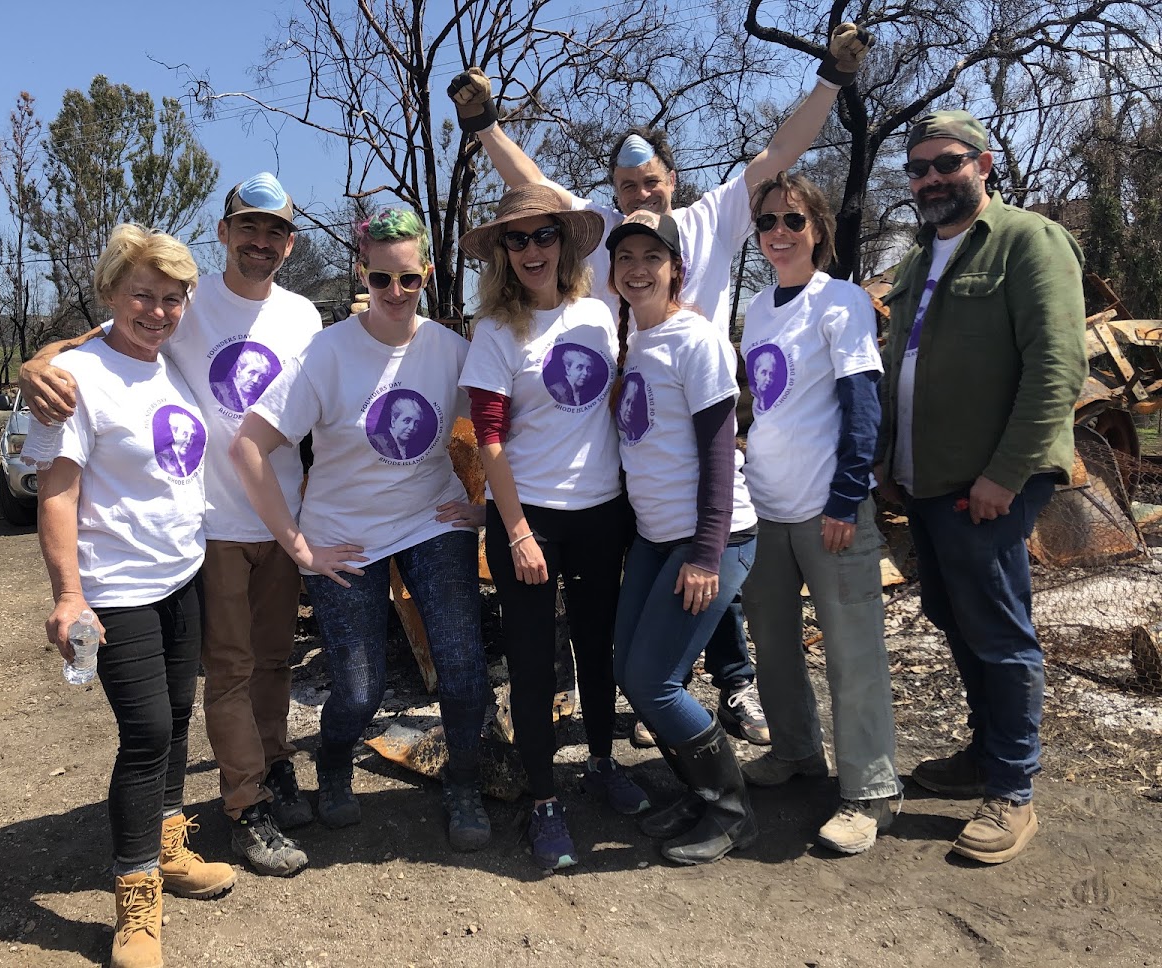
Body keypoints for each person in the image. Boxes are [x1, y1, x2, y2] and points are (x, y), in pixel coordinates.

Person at [447, 26, 876, 744]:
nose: (640, 194)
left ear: (672, 181)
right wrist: (487, 125)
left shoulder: (709, 220)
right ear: (612, 195)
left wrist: (831, 78)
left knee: (704, 552)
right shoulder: (607, 234)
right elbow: (532, 187)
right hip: (630, 421)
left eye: (651, 182)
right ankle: (661, 688)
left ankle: (732, 689)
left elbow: (780, 153)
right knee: (654, 563)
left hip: (695, 403)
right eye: (626, 186)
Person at [20, 172, 322, 878]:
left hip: (279, 519)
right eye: (247, 227)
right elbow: (110, 331)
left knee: (273, 663)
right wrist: (42, 360)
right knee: (228, 673)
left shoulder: (304, 316)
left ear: (289, 244)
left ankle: (273, 767)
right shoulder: (188, 298)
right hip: (210, 526)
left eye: (274, 231)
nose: (260, 241)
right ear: (224, 233)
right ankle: (245, 807)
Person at [230, 207, 494, 852]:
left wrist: (488, 509)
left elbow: (501, 427)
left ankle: (463, 781)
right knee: (358, 683)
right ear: (362, 274)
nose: (396, 294)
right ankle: (334, 758)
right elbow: (249, 446)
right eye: (381, 280)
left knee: (462, 667)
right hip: (342, 535)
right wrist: (297, 545)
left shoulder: (451, 351)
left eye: (410, 280)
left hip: (432, 522)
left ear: (428, 275)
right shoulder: (327, 354)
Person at [877, 110, 1087, 864]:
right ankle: (983, 753)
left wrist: (1004, 473)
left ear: (984, 164)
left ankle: (1013, 791)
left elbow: (1059, 368)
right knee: (954, 615)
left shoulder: (1029, 242)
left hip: (986, 483)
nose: (931, 177)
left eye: (947, 162)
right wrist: (888, 465)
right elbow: (900, 368)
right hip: (924, 482)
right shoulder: (913, 262)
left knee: (998, 632)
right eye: (918, 168)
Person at [25, 225, 235, 968]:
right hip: (115, 588)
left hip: (181, 573)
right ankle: (135, 896)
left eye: (171, 298)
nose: (156, 311)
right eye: (140, 295)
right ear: (111, 292)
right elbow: (57, 492)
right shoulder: (80, 378)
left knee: (179, 715)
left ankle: (169, 845)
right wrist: (68, 594)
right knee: (146, 734)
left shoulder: (169, 361)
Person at [458, 184, 650, 870]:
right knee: (535, 662)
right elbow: (489, 438)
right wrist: (515, 531)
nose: (532, 250)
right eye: (517, 239)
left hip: (602, 509)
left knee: (599, 649)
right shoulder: (494, 332)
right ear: (502, 253)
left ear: (565, 243)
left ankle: (601, 763)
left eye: (544, 236)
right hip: (528, 514)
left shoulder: (599, 314)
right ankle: (543, 798)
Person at [736, 172, 902, 855]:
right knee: (772, 647)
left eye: (794, 221)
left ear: (819, 230)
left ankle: (871, 790)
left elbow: (863, 406)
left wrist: (845, 496)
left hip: (826, 510)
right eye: (768, 220)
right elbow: (762, 405)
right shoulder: (754, 309)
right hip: (767, 509)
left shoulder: (841, 304)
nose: (779, 232)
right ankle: (798, 751)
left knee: (852, 653)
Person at [606, 210, 759, 865]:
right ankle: (697, 792)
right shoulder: (639, 340)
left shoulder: (696, 340)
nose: (638, 268)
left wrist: (704, 554)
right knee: (627, 671)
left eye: (652, 257)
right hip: (654, 537)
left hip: (710, 541)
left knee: (655, 680)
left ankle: (729, 809)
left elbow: (719, 453)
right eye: (626, 258)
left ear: (676, 269)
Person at [367, 390, 429, 460]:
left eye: (416, 423)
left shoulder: (415, 448)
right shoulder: (375, 443)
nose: (412, 427)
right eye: (407, 421)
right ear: (393, 421)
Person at [210, 346, 275, 412]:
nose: (255, 380)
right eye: (252, 373)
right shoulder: (217, 390)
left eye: (261, 377)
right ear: (238, 371)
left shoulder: (259, 401)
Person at [157, 409, 203, 478]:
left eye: (192, 436)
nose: (188, 441)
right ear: (174, 432)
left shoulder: (194, 463)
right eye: (185, 434)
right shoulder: (162, 460)